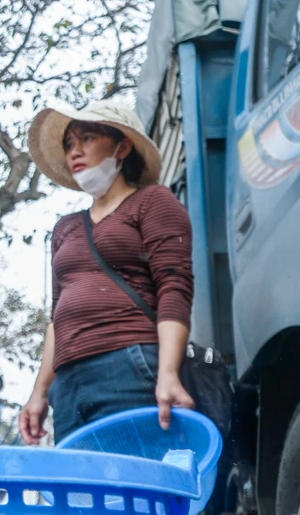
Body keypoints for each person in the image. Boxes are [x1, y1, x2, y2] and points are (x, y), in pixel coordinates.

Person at [18, 99, 195, 445]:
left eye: (86, 138)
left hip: (130, 363)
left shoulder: (153, 201)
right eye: (69, 144)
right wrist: (39, 392)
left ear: (122, 145)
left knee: (134, 487)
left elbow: (174, 286)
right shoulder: (65, 228)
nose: (74, 151)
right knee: (80, 495)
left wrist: (168, 373)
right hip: (68, 384)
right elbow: (58, 315)